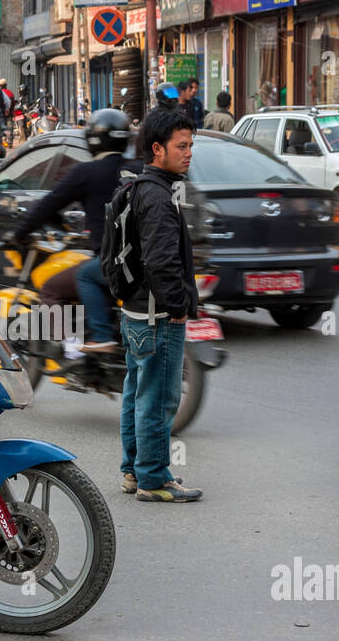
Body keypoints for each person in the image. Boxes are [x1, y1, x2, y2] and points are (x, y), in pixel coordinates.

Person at [119, 107, 202, 503]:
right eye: (181, 146)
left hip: (136, 311)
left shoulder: (140, 187)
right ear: (157, 149)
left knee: (137, 392)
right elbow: (162, 260)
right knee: (159, 398)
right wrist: (179, 307)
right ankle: (153, 479)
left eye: (191, 145)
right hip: (157, 316)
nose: (188, 153)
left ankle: (133, 472)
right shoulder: (157, 197)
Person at [12, 108, 136, 353]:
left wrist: (19, 233)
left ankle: (75, 348)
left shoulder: (87, 172)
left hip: (116, 263)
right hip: (144, 259)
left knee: (55, 286)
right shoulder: (138, 168)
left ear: (93, 139)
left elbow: (49, 204)